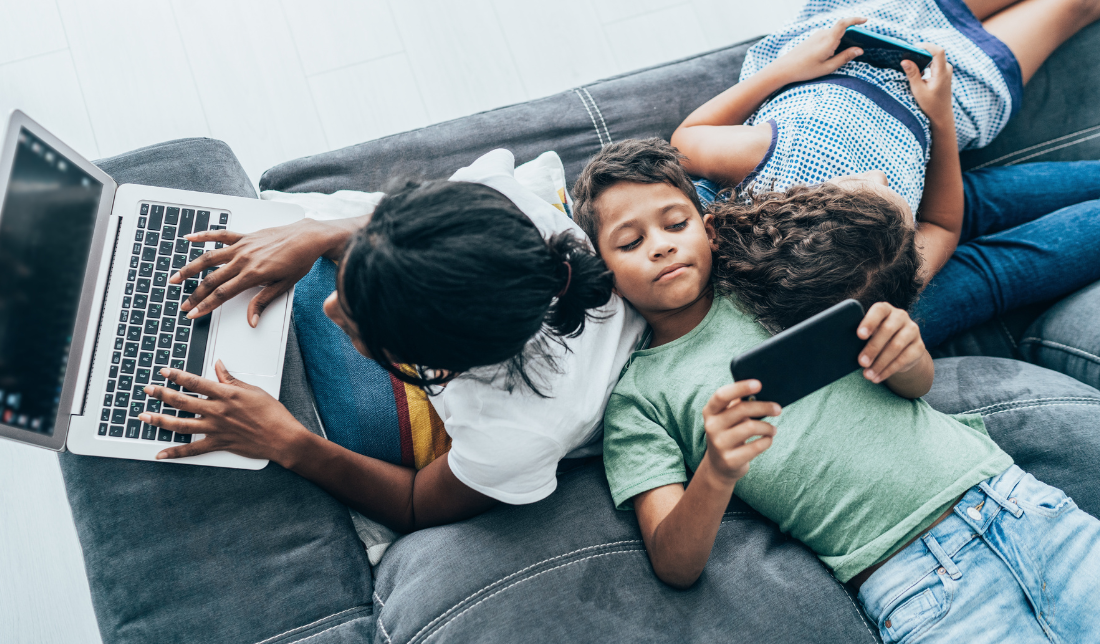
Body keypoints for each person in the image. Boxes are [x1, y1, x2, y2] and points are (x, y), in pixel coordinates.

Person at [571, 140, 1100, 642]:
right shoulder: (636, 401)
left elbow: (915, 387)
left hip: (1015, 501)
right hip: (916, 582)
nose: (661, 246)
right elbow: (673, 562)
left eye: (675, 224)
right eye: (631, 242)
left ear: (706, 229)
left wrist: (908, 353)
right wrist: (717, 469)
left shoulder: (771, 281)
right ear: (606, 274)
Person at [136, 149, 645, 531]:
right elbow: (398, 223)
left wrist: (287, 442)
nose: (329, 306)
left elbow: (416, 504)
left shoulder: (515, 435)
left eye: (357, 326)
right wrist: (319, 234)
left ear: (437, 372)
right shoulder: (494, 199)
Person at [671, 0, 1100, 342]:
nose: (881, 178)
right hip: (954, 89)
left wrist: (787, 70)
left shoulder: (764, 159)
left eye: (867, 186)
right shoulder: (886, 273)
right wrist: (940, 117)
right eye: (898, 201)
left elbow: (687, 138)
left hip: (865, 36)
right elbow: (944, 224)